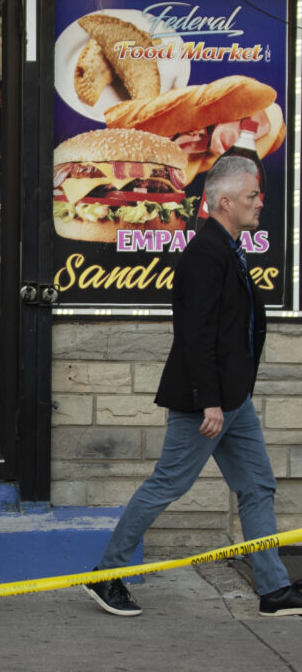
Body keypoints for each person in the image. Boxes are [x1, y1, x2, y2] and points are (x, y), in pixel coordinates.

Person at [84, 156, 302, 617]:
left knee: (258, 485)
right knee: (169, 483)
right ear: (225, 202)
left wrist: (229, 398)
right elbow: (195, 334)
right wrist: (210, 403)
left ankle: (273, 590)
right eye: (251, 196)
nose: (259, 202)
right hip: (208, 402)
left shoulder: (228, 248)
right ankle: (107, 576)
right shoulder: (205, 253)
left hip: (233, 400)